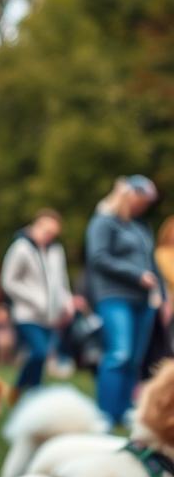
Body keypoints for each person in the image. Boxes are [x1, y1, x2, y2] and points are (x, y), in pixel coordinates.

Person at [86, 175, 162, 426]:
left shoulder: (140, 228)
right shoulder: (104, 222)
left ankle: (125, 411)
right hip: (115, 297)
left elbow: (152, 264)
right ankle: (105, 413)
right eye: (141, 199)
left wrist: (162, 296)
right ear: (129, 195)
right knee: (119, 354)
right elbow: (98, 258)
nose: (144, 206)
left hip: (143, 301)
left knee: (134, 359)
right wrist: (136, 275)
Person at [0, 209, 75, 396]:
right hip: (27, 314)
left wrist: (67, 303)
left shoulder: (56, 251)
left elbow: (61, 281)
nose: (49, 237)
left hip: (49, 315)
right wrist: (34, 299)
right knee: (39, 352)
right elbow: (8, 281)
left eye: (53, 234)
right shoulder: (20, 248)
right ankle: (17, 389)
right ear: (36, 226)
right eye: (47, 232)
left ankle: (34, 392)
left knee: (42, 358)